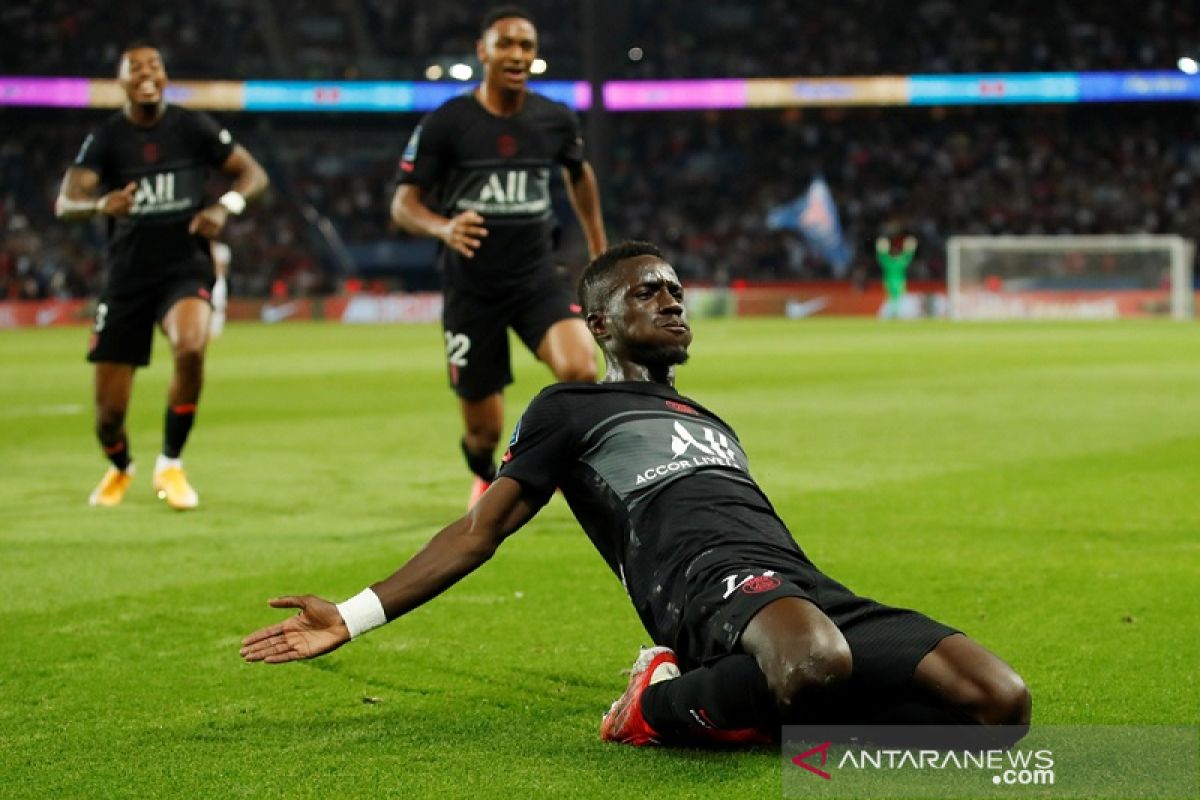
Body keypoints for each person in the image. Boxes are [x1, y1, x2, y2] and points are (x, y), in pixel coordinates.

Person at [241, 241, 1031, 748]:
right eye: (648, 292)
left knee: (1000, 705)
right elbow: (479, 530)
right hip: (703, 586)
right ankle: (655, 707)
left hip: (801, 588)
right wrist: (352, 613)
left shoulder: (706, 415)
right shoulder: (568, 408)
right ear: (600, 324)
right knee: (816, 662)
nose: (673, 300)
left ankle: (766, 711)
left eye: (677, 290)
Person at [389, 5, 607, 507]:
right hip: (472, 288)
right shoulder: (448, 122)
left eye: (526, 46)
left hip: (536, 278)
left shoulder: (553, 119)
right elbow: (403, 203)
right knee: (483, 432)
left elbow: (579, 172)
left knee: (581, 368)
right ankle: (485, 474)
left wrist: (597, 243)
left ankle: (570, 473)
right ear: (483, 52)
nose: (517, 54)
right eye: (506, 44)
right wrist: (443, 226)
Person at [56, 44, 268, 510]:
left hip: (184, 268)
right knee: (109, 417)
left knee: (191, 347)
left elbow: (252, 175)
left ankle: (170, 463)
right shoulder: (108, 139)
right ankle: (120, 465)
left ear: (165, 75)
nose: (147, 74)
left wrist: (223, 206)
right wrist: (98, 205)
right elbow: (65, 202)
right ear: (122, 81)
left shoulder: (192, 127)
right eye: (136, 68)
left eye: (155, 66)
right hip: (127, 278)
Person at [876, 235, 918, 320]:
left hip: (892, 282)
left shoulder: (889, 262)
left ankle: (892, 314)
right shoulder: (899, 262)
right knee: (895, 299)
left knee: (895, 299)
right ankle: (892, 314)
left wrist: (880, 249)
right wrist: (910, 249)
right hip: (895, 282)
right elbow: (908, 256)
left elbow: (881, 257)